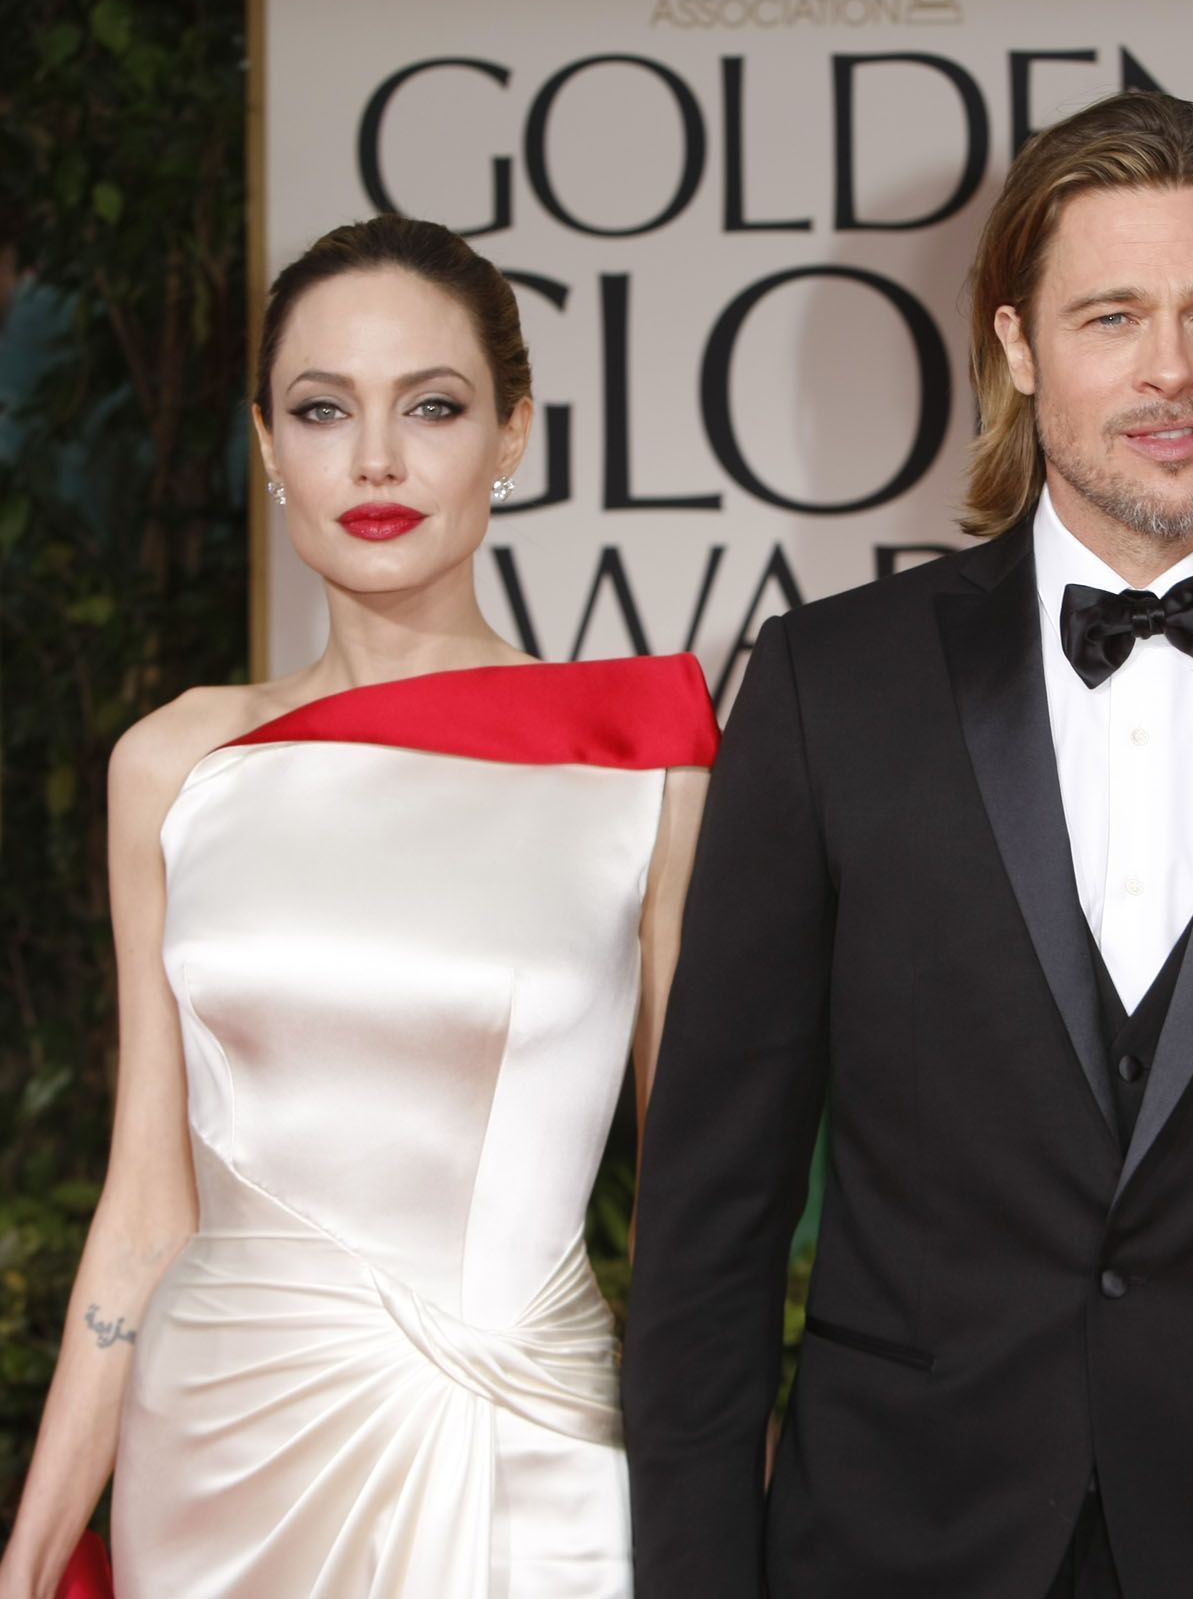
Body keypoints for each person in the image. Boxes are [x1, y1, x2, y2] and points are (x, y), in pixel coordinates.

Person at [623, 91, 1193, 1597]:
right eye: (1112, 316)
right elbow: (709, 1221)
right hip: (893, 1547)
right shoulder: (828, 692)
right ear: (1017, 346)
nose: (1171, 370)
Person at [0, 215, 716, 1599]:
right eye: (323, 411)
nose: (376, 460)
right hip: (206, 1460)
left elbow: (702, 1213)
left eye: (432, 407)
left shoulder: (644, 764)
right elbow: (150, 1194)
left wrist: (732, 1509)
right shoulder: (175, 763)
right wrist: (33, 1549)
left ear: (511, 433)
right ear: (268, 447)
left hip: (520, 1451)